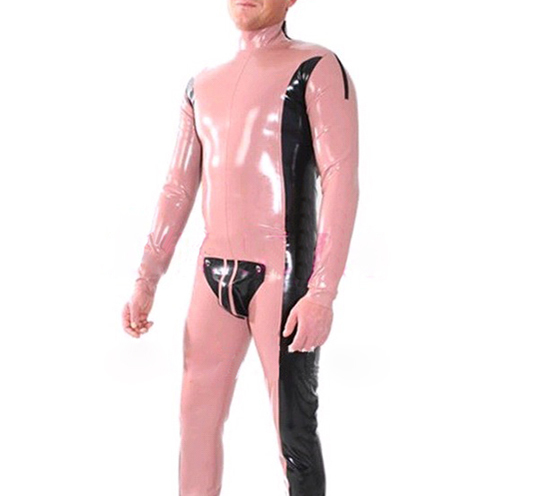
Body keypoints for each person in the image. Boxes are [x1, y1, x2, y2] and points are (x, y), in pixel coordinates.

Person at [122, 0, 359, 494]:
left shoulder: (314, 66)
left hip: (282, 272)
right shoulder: (201, 84)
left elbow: (340, 177)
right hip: (212, 272)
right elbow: (178, 188)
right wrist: (146, 279)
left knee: (293, 432)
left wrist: (322, 292)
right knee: (195, 422)